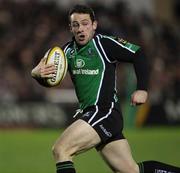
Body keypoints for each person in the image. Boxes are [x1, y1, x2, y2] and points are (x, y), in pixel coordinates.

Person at [31, 4, 180, 173]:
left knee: (61, 149)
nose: (81, 29)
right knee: (131, 170)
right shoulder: (66, 52)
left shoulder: (105, 44)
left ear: (94, 24)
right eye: (76, 25)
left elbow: (138, 54)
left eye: (85, 23)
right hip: (94, 114)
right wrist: (36, 74)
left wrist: (142, 89)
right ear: (70, 28)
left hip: (104, 112)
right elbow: (50, 79)